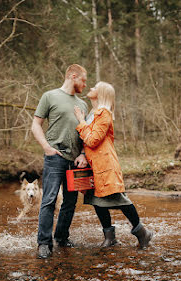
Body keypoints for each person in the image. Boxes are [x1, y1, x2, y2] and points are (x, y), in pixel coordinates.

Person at [73, 81, 153, 249]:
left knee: (119, 199)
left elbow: (92, 140)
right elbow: (87, 143)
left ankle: (142, 233)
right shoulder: (93, 113)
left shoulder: (104, 114)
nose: (91, 88)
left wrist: (80, 121)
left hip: (106, 166)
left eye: (95, 87)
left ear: (101, 94)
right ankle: (110, 238)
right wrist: (82, 154)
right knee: (97, 201)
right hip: (94, 166)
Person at [31, 64, 89, 259]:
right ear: (73, 76)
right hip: (55, 157)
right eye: (83, 80)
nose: (85, 85)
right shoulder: (50, 96)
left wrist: (82, 153)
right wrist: (46, 147)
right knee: (49, 199)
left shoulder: (82, 105)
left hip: (75, 162)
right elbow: (35, 125)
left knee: (70, 203)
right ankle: (44, 243)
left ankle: (61, 238)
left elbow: (85, 134)